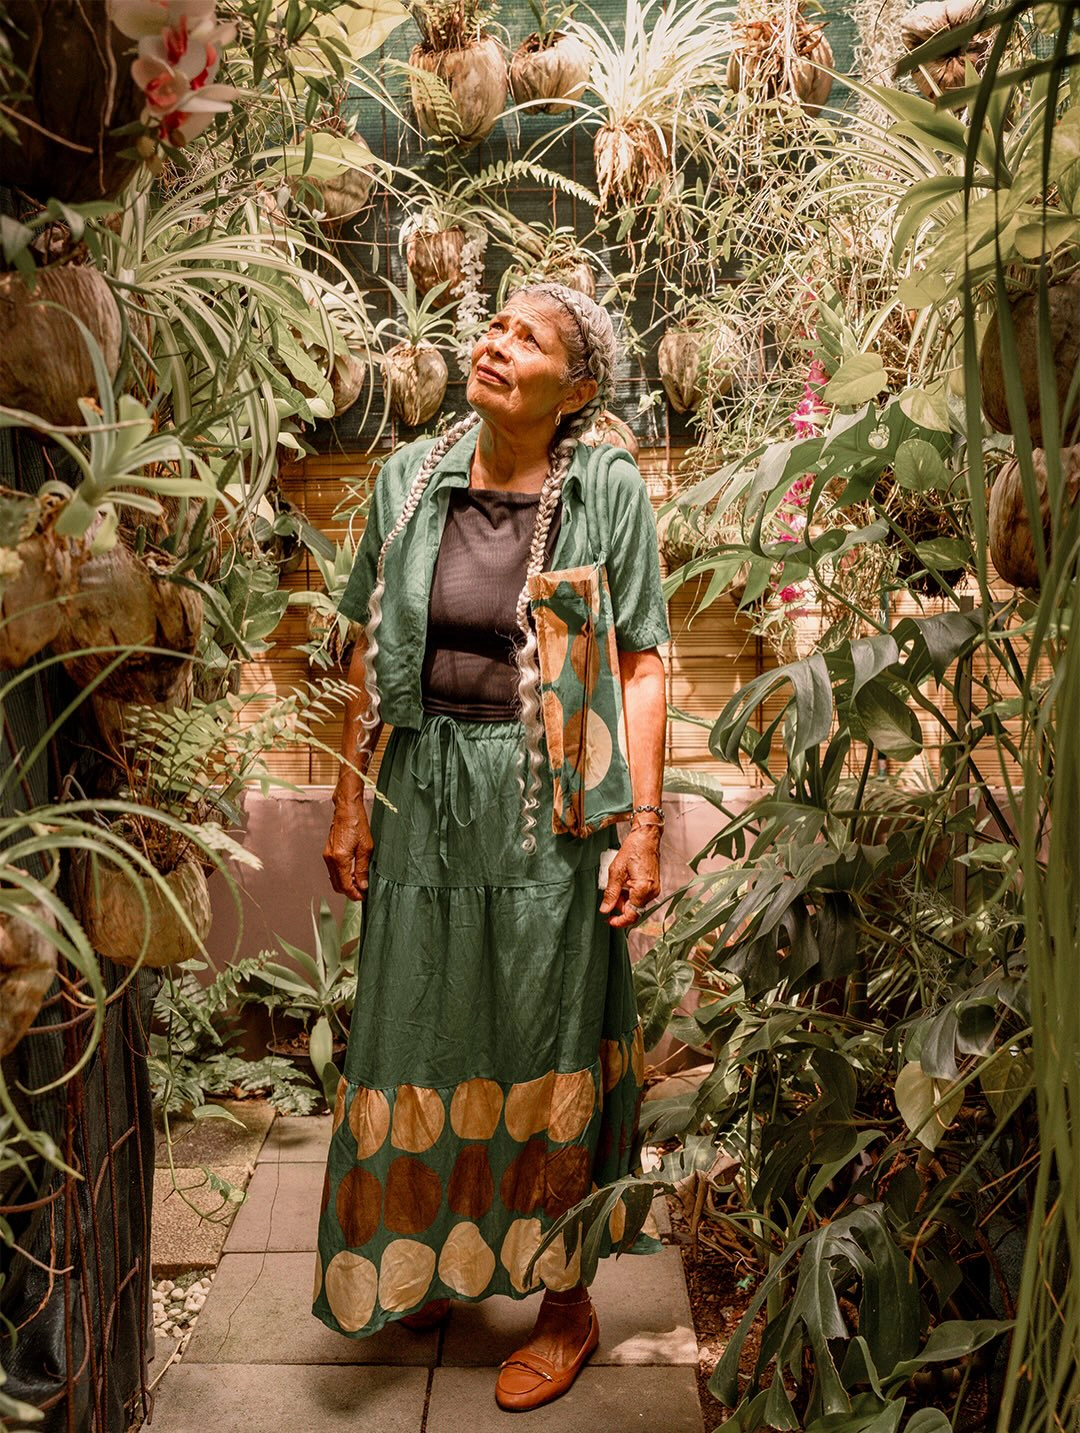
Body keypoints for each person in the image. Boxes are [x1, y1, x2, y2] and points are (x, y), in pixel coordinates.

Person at [314, 282, 670, 1412]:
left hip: (545, 803)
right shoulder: (408, 480)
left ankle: (565, 1301)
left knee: (543, 1027)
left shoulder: (606, 488)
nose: (495, 343)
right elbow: (368, 649)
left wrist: (642, 828)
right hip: (422, 789)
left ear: (577, 387)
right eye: (495, 325)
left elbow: (643, 660)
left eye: (528, 337)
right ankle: (430, 1255)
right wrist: (351, 800)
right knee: (416, 1024)